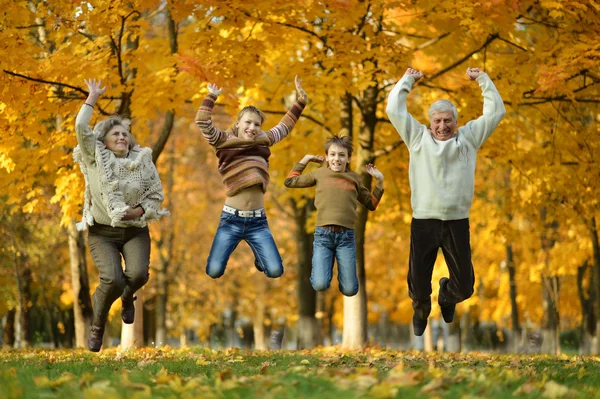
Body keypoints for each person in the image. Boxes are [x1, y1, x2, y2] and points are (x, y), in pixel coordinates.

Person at [386, 67, 506, 336]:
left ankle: (447, 296)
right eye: (437, 121)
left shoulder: (469, 138)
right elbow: (394, 109)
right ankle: (421, 308)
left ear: (456, 121)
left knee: (465, 287)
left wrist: (483, 80)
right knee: (416, 286)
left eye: (448, 120)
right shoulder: (417, 138)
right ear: (430, 123)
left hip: (456, 222)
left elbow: (496, 112)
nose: (442, 126)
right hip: (424, 221)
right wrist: (408, 80)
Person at [74, 79, 169, 352]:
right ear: (103, 141)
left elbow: (155, 195)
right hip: (103, 232)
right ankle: (98, 326)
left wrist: (139, 210)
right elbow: (81, 127)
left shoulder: (142, 161)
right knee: (112, 279)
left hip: (135, 229)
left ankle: (128, 298)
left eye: (125, 134)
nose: (121, 137)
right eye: (115, 134)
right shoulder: (95, 157)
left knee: (138, 275)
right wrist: (92, 98)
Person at [195, 76, 308, 279]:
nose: (252, 128)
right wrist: (211, 96)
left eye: (257, 124)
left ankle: (259, 254)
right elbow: (202, 121)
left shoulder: (264, 140)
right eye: (248, 122)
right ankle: (254, 251)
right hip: (230, 220)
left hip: (258, 221)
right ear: (238, 124)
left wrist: (300, 102)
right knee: (213, 271)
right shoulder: (222, 140)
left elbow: (284, 127)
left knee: (275, 271)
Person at [284, 135, 384, 296]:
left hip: (346, 238)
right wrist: (306, 159)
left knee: (350, 290)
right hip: (323, 236)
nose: (336, 159)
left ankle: (339, 274)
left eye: (341, 155)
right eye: (332, 154)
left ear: (348, 158)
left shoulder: (354, 178)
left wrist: (379, 182)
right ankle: (323, 269)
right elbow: (290, 181)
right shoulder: (319, 174)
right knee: (320, 284)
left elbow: (371, 204)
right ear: (327, 156)